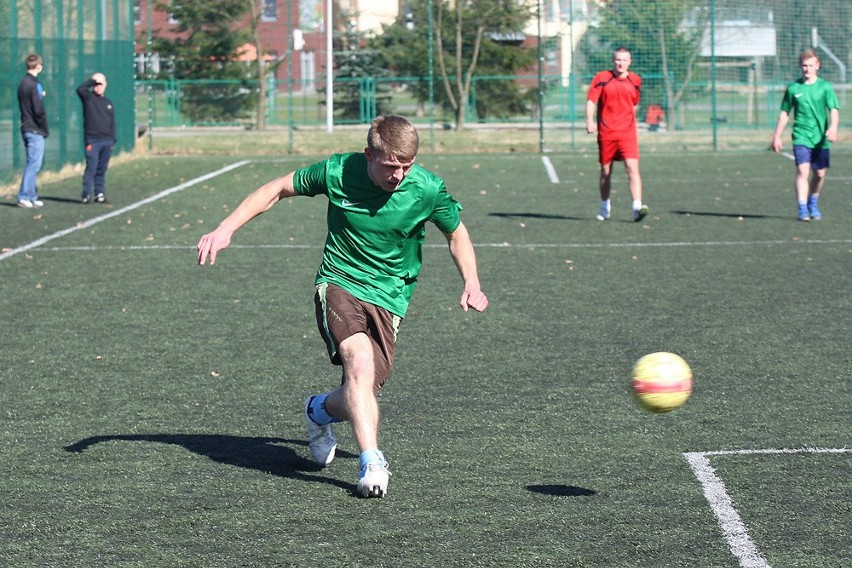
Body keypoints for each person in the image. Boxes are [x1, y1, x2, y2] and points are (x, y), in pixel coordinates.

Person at [196, 115, 489, 498]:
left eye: (407, 166)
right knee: (359, 363)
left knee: (362, 389)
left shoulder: (428, 189)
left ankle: (317, 411)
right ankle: (372, 460)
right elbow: (278, 188)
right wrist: (226, 228)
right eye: (389, 166)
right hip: (340, 282)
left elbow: (456, 233)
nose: (398, 175)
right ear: (368, 155)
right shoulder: (338, 170)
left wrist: (471, 281)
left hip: (390, 297)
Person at [771, 49, 840, 221]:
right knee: (803, 172)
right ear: (800, 67)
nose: (807, 69)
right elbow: (784, 113)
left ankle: (813, 202)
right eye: (804, 65)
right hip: (801, 136)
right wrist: (777, 136)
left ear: (817, 66)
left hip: (820, 139)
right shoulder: (794, 88)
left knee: (819, 174)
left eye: (810, 65)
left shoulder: (825, 87)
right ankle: (802, 208)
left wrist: (833, 128)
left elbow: (834, 109)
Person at [586, 47, 649, 222]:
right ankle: (605, 206)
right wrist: (590, 120)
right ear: (613, 61)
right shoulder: (601, 78)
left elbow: (634, 103)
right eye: (617, 60)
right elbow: (592, 100)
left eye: (624, 60)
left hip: (628, 134)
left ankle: (637, 207)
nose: (620, 63)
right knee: (606, 171)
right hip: (607, 133)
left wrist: (629, 121)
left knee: (632, 168)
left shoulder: (635, 80)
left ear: (630, 62)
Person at [77, 72, 116, 204]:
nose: (98, 87)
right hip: (93, 140)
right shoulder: (88, 98)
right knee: (91, 167)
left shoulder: (108, 102)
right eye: (96, 84)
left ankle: (99, 193)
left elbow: (112, 122)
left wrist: (112, 140)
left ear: (105, 84)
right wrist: (92, 81)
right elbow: (80, 89)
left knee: (102, 169)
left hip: (107, 140)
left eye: (101, 84)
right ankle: (86, 194)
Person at [16, 53, 49, 208]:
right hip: (34, 129)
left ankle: (31, 195)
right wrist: (44, 128)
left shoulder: (23, 83)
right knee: (34, 164)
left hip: (27, 127)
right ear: (38, 67)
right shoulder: (34, 84)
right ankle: (24, 195)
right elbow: (38, 110)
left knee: (33, 163)